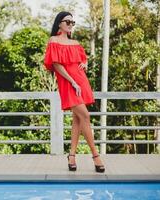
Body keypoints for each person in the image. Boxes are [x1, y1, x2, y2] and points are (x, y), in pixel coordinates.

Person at [43, 11, 105, 173]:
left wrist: (84, 63)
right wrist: (72, 81)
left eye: (72, 22)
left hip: (81, 81)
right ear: (59, 24)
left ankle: (71, 155)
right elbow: (56, 64)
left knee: (78, 119)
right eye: (67, 22)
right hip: (69, 83)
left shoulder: (75, 42)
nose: (71, 25)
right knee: (85, 116)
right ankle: (95, 155)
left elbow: (83, 58)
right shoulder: (54, 40)